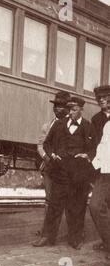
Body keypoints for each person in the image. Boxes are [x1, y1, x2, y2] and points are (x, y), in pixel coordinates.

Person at [33, 97, 95, 249]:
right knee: (54, 204)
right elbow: (46, 143)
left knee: (77, 206)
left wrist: (88, 156)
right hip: (60, 171)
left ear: (81, 110)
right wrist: (52, 154)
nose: (71, 113)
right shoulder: (59, 125)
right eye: (70, 110)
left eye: (74, 110)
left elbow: (94, 148)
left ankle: (75, 239)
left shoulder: (88, 126)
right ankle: (47, 236)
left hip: (80, 174)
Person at [36, 91, 69, 235]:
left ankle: (74, 232)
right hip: (50, 167)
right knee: (49, 199)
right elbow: (40, 145)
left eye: (61, 106)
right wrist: (46, 158)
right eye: (55, 105)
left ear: (68, 108)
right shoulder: (47, 126)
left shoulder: (72, 125)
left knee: (69, 201)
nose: (56, 108)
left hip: (66, 169)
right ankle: (47, 230)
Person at [90, 87, 110, 260]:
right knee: (96, 206)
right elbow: (97, 146)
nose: (101, 100)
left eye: (105, 97)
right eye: (99, 98)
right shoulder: (98, 120)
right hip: (103, 171)